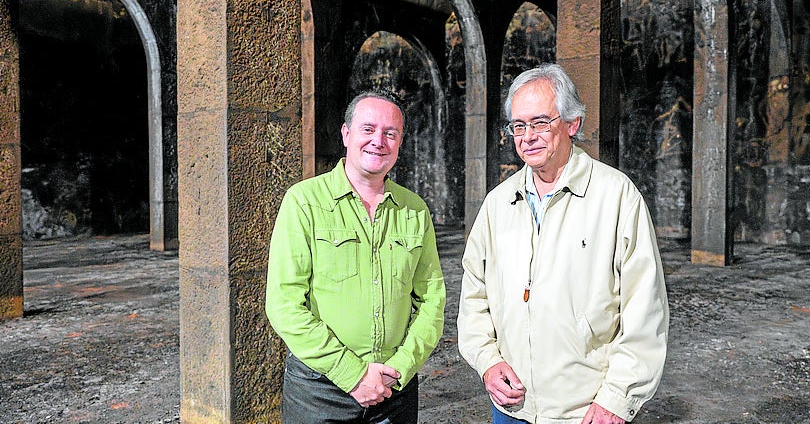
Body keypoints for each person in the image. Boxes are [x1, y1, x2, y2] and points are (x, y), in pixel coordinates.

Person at [457, 63, 669, 424]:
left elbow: (645, 310)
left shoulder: (616, 196)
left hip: (586, 411)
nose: (528, 136)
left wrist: (617, 399)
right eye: (519, 126)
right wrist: (488, 362)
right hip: (511, 405)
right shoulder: (498, 203)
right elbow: (474, 296)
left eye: (540, 122)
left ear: (572, 124)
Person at [265, 90, 446, 424]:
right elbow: (284, 304)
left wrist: (401, 367)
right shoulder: (304, 202)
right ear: (346, 134)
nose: (379, 141)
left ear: (399, 142)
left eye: (390, 134)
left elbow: (432, 300)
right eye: (368, 129)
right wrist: (351, 374)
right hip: (319, 393)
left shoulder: (414, 210)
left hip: (394, 391)